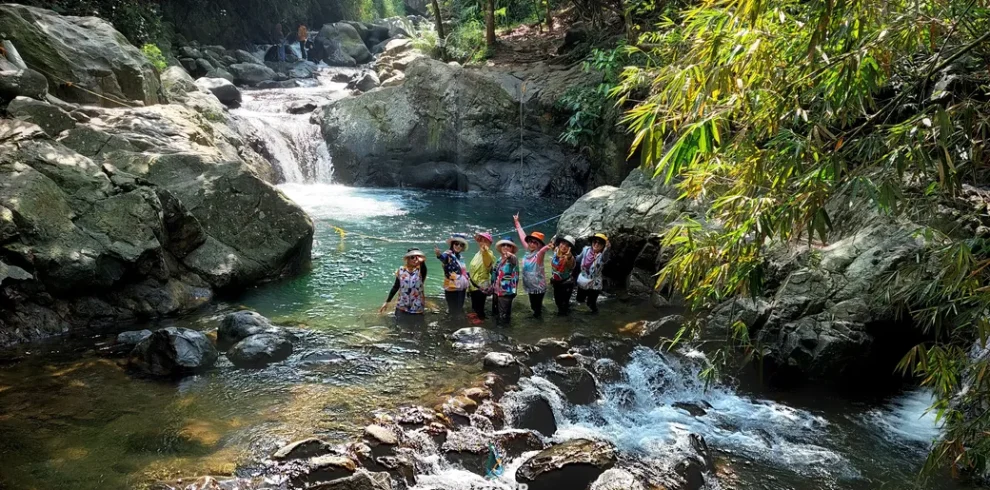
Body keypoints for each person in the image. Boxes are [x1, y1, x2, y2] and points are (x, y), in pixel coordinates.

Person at [513, 214, 551, 319]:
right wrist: (517, 222)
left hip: (538, 288)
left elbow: (542, 251)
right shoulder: (528, 251)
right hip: (530, 286)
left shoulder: (538, 255)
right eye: (530, 241)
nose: (532, 244)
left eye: (535, 242)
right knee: (534, 305)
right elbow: (522, 237)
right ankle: (539, 314)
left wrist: (548, 247)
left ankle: (539, 321)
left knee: (536, 307)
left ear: (539, 245)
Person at [379, 248, 428, 324]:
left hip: (417, 307)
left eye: (417, 257)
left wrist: (422, 262)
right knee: (398, 326)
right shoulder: (401, 270)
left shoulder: (420, 271)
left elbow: (424, 269)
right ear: (407, 258)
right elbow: (395, 287)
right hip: (402, 305)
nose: (415, 259)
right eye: (412, 257)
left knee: (417, 328)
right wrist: (387, 302)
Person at [435, 233, 471, 315]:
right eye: (456, 244)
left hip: (462, 287)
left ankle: (457, 320)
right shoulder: (448, 254)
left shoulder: (461, 257)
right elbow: (443, 258)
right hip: (452, 287)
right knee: (453, 308)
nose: (458, 246)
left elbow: (463, 272)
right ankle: (453, 321)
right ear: (452, 244)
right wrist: (439, 255)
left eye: (461, 245)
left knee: (459, 307)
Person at [575, 233, 610, 313]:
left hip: (594, 285)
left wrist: (607, 248)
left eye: (600, 243)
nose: (596, 244)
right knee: (579, 300)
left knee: (591, 305)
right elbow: (578, 259)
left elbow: (605, 257)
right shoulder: (585, 250)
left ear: (603, 246)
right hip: (583, 281)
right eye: (595, 242)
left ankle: (593, 318)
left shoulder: (602, 256)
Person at [468, 232, 496, 324]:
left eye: (485, 241)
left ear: (490, 243)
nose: (482, 243)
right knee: (474, 303)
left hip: (481, 285)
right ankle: (476, 315)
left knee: (480, 306)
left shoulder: (489, 254)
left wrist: (485, 251)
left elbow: (487, 261)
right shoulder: (477, 254)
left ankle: (481, 320)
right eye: (481, 241)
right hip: (473, 284)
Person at [492, 238, 519, 326]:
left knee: (503, 316)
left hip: (506, 292)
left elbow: (513, 260)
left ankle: (504, 331)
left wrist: (510, 256)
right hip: (496, 291)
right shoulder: (499, 259)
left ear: (512, 248)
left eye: (508, 245)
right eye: (503, 245)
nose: (506, 247)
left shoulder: (512, 259)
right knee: (497, 314)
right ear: (500, 247)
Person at [549, 235, 577, 316]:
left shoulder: (570, 258)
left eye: (567, 245)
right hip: (556, 282)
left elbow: (571, 264)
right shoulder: (557, 251)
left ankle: (564, 320)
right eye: (563, 243)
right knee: (558, 302)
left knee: (563, 305)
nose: (564, 246)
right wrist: (552, 245)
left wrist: (569, 257)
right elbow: (554, 248)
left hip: (566, 284)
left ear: (570, 248)